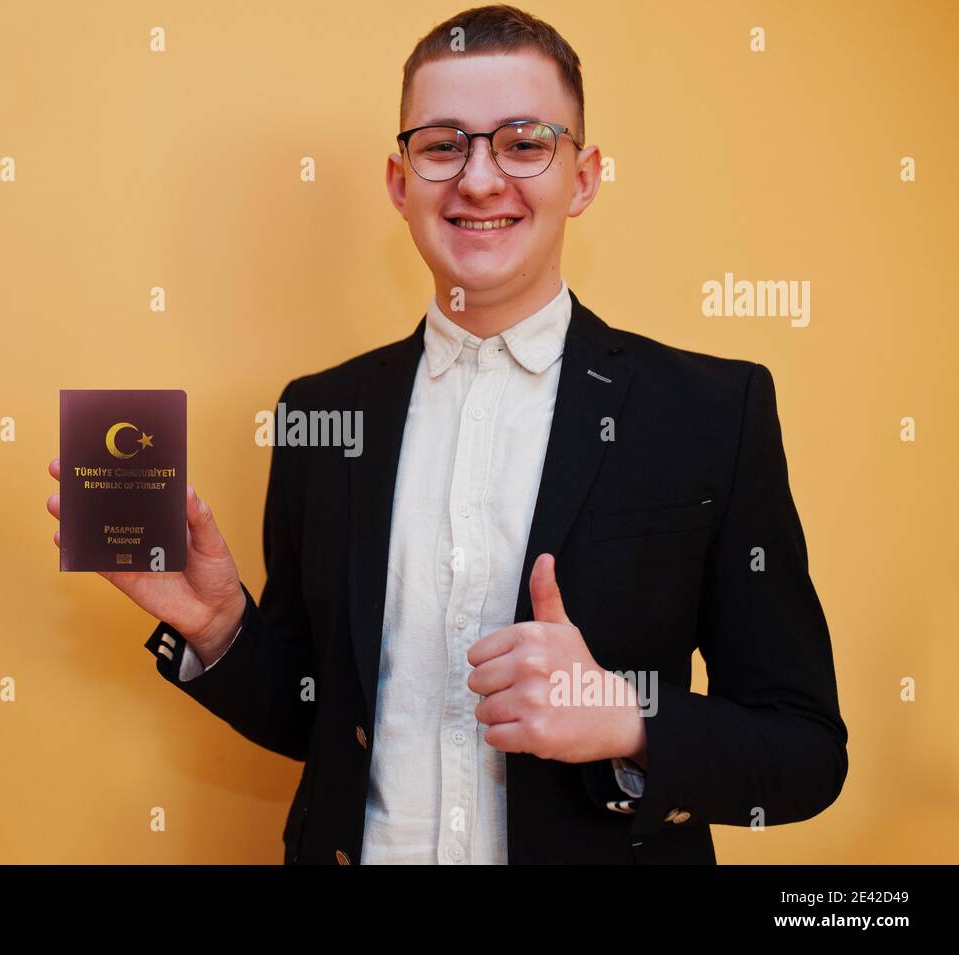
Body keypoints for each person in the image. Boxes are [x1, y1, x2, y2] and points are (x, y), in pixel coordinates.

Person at [46, 4, 847, 864]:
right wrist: (217, 625)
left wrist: (624, 717)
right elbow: (323, 722)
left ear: (584, 177)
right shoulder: (320, 411)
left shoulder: (712, 411)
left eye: (525, 140)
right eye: (441, 144)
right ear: (400, 183)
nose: (478, 178)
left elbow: (804, 751)